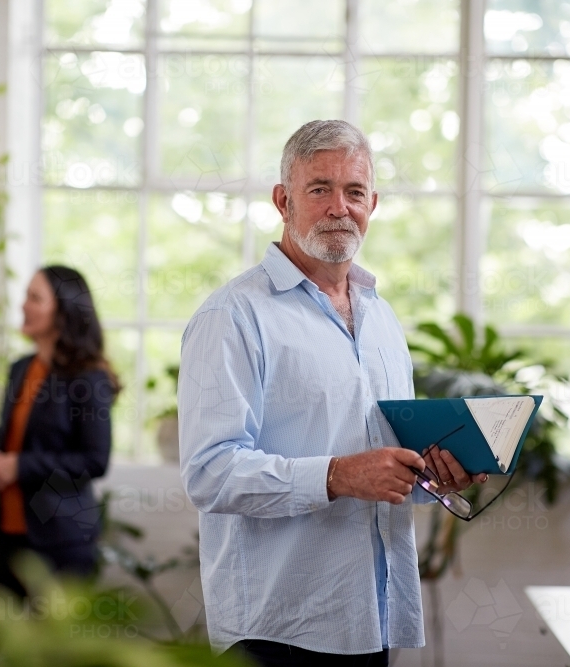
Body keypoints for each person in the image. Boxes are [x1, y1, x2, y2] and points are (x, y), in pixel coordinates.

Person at [178, 120, 487, 667]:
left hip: (372, 617)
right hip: (276, 628)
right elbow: (210, 472)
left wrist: (435, 477)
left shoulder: (381, 317)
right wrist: (338, 475)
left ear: (373, 203)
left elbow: (385, 468)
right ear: (283, 200)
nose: (339, 207)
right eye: (319, 188)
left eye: (354, 192)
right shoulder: (233, 316)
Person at [0, 265, 118, 595]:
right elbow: (10, 439)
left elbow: (95, 461)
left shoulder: (88, 378)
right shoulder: (21, 369)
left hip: (61, 540)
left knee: (50, 647)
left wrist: (19, 466)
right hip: (10, 532)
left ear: (63, 311)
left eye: (34, 298)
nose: (23, 305)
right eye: (25, 296)